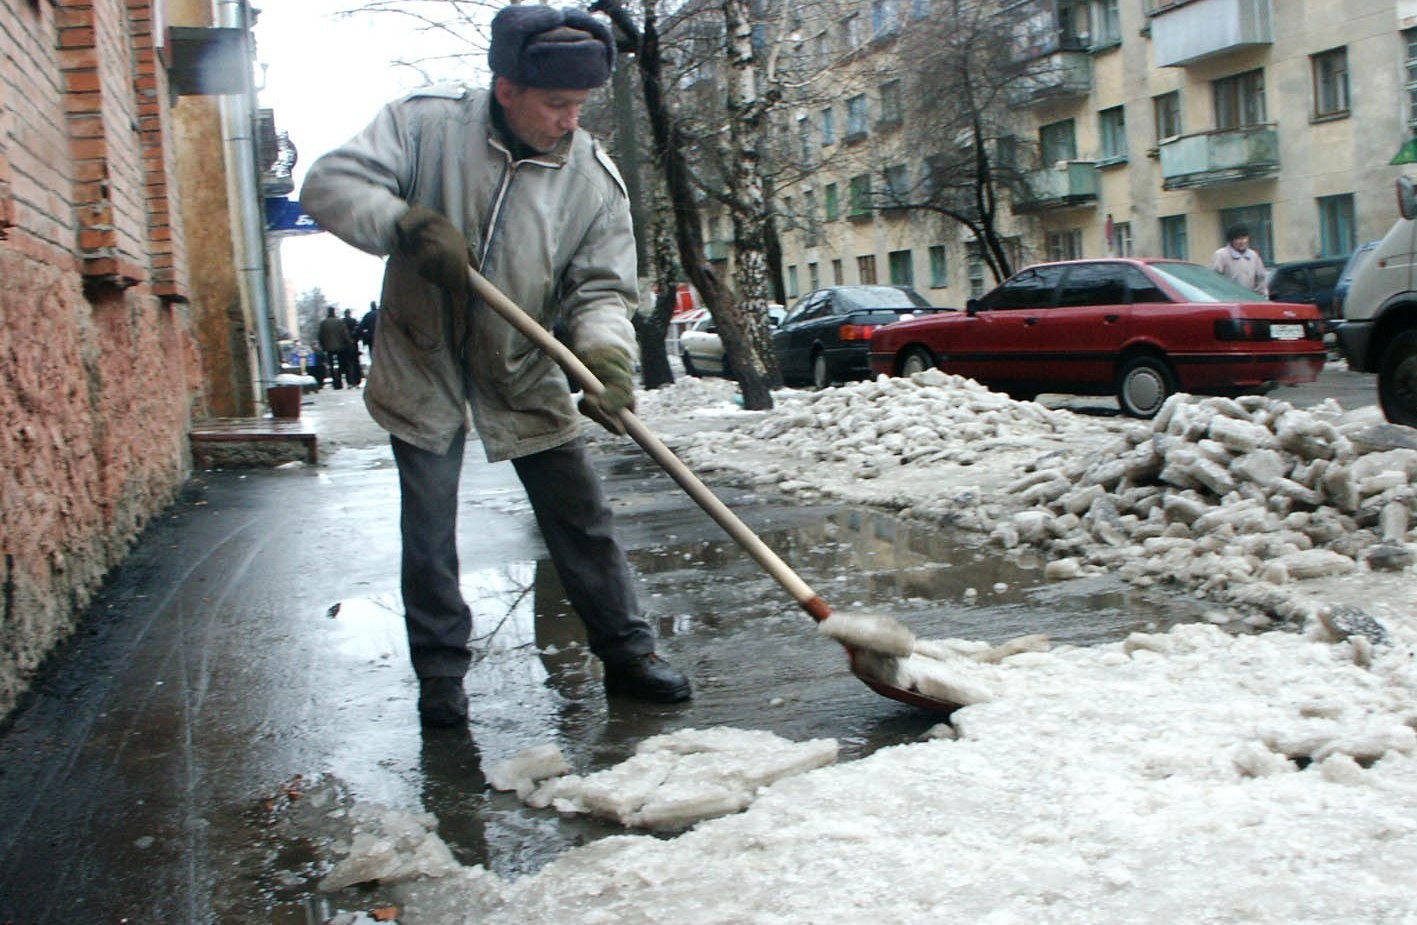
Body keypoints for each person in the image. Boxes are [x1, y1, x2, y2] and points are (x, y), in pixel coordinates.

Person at [299, 4, 691, 727]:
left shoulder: (591, 180)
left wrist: (604, 352)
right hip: (423, 357)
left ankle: (628, 653)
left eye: (580, 105)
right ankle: (441, 678)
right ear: (506, 89)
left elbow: (603, 288)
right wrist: (403, 224)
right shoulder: (424, 126)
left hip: (521, 360)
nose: (570, 121)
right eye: (556, 104)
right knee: (429, 528)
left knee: (580, 513)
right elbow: (329, 184)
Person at [1210, 223, 1269, 298]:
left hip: (1250, 300)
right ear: (1231, 241)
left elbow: (1261, 279)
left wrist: (1261, 297)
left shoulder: (1253, 256)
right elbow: (1215, 280)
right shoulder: (1221, 255)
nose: (1242, 241)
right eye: (1238, 239)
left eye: (1244, 238)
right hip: (1229, 300)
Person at [317, 306, 355, 389]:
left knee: (331, 365)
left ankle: (336, 383)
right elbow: (345, 334)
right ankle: (341, 380)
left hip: (328, 348)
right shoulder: (339, 322)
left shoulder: (324, 323)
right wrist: (350, 343)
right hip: (340, 347)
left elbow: (320, 336)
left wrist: (323, 346)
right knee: (341, 364)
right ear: (334, 312)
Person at [341, 308, 364, 386]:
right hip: (354, 344)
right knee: (356, 362)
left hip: (345, 345)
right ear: (350, 313)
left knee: (347, 363)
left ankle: (350, 381)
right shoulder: (354, 321)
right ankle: (357, 380)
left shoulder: (342, 322)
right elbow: (359, 332)